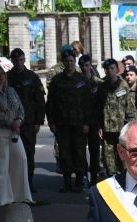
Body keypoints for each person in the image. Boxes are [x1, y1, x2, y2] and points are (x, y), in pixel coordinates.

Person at [0, 64, 33, 206]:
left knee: (21, 159)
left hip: (14, 132)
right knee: (1, 167)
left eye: (2, 74)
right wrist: (12, 123)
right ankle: (4, 198)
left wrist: (19, 121)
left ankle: (21, 195)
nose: (1, 77)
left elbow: (20, 108)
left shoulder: (11, 90)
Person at [47, 50, 90, 192]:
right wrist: (51, 122)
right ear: (63, 62)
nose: (69, 63)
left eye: (72, 61)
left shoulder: (82, 80)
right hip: (62, 124)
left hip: (79, 124)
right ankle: (66, 182)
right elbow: (51, 103)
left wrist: (87, 123)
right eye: (67, 61)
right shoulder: (56, 81)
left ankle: (78, 182)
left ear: (75, 61)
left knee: (79, 153)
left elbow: (88, 103)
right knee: (64, 153)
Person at [7, 48, 46, 193]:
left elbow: (39, 100)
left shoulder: (32, 77)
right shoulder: (7, 77)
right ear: (12, 60)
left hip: (28, 122)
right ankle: (15, 183)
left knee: (28, 153)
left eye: (21, 60)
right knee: (13, 154)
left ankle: (28, 182)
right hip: (11, 122)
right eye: (16, 60)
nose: (18, 63)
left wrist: (38, 121)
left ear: (24, 60)